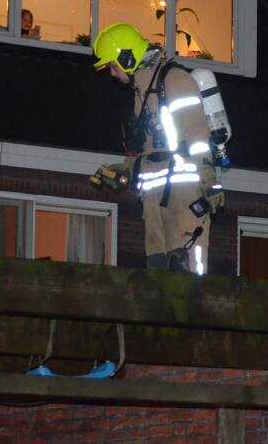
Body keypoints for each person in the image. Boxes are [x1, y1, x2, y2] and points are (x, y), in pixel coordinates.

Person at [90, 23, 229, 273]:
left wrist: (208, 178)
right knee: (158, 271)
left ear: (127, 56)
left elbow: (196, 133)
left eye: (112, 65)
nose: (111, 73)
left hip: (184, 195)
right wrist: (124, 170)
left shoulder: (175, 80)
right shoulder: (142, 92)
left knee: (186, 270)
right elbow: (150, 150)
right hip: (155, 202)